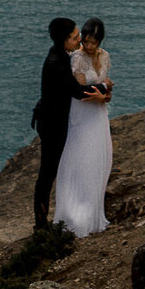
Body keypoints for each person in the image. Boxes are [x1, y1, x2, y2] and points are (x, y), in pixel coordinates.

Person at [32, 17, 105, 231]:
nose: (80, 39)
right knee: (48, 172)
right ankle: (40, 225)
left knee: (54, 169)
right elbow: (77, 91)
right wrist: (103, 90)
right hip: (52, 124)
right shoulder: (57, 64)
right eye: (75, 37)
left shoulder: (62, 55)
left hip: (55, 119)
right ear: (64, 40)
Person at [52, 17, 114, 236]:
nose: (87, 46)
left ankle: (95, 212)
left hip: (98, 114)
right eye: (84, 41)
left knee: (100, 159)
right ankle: (76, 214)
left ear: (99, 41)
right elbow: (80, 90)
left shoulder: (105, 56)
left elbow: (105, 92)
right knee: (81, 159)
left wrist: (105, 95)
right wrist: (103, 90)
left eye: (92, 43)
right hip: (82, 113)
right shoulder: (77, 57)